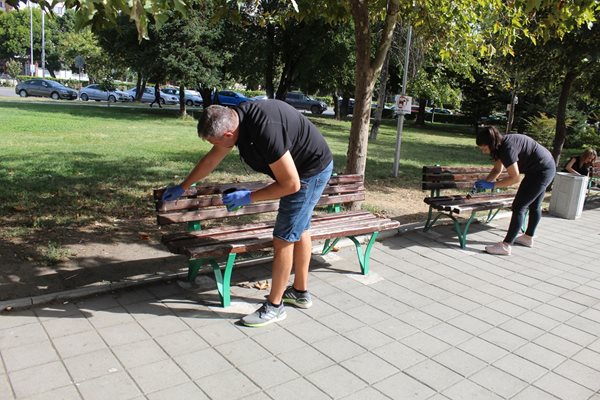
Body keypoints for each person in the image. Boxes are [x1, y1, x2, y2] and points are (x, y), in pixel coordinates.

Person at [161, 100, 333, 327]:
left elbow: (291, 185)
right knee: (300, 229)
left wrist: (248, 198)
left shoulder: (265, 131)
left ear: (229, 133)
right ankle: (299, 292)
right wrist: (184, 186)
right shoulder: (236, 118)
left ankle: (275, 306)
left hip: (309, 173)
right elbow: (213, 158)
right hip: (304, 169)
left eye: (214, 141)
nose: (214, 146)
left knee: (283, 238)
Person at [474, 126, 556, 255]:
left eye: (484, 148)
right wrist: (486, 182)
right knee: (534, 205)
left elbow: (515, 178)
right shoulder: (501, 144)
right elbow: (497, 170)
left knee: (519, 206)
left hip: (542, 171)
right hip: (542, 167)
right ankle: (527, 238)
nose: (483, 152)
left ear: (491, 143)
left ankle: (505, 246)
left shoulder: (507, 149)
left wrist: (492, 186)